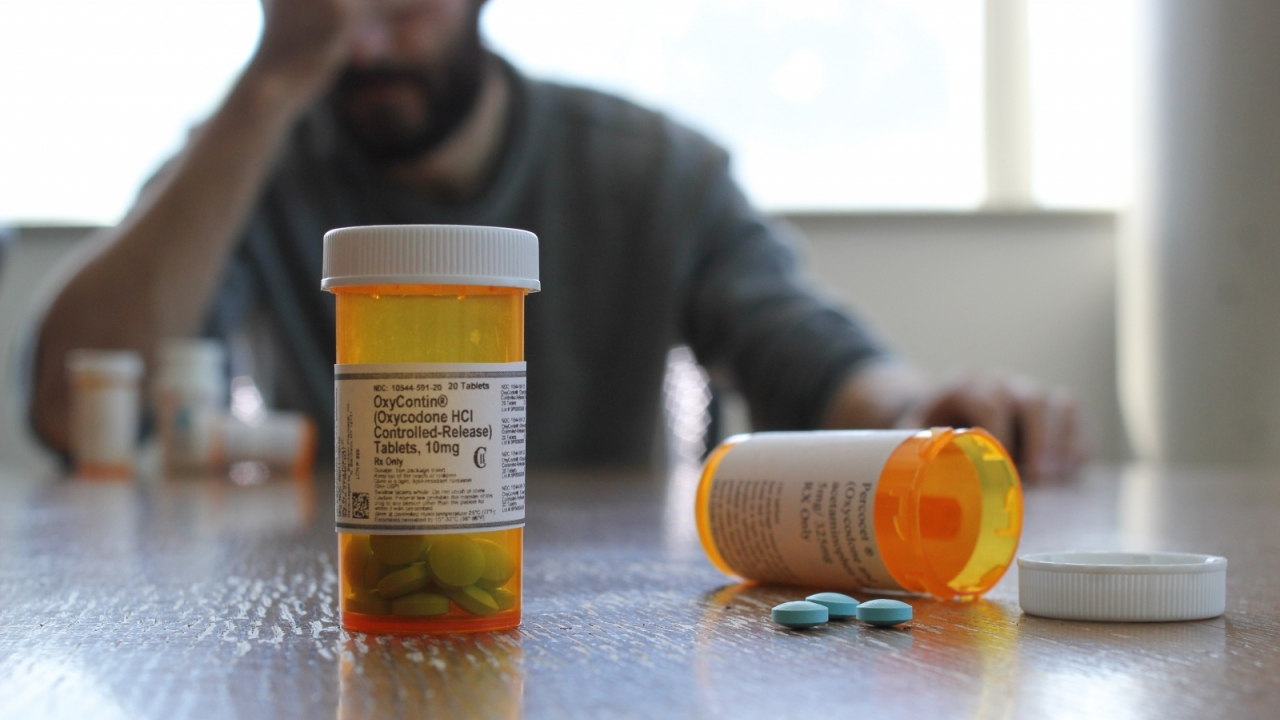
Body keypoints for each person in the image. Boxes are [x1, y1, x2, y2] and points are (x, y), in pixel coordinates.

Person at [29, 0, 1085, 478]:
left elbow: (806, 355)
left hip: (616, 619)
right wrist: (264, 87)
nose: (368, 32)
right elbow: (71, 407)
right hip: (349, 604)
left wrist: (926, 420)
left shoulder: (648, 167)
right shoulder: (254, 160)